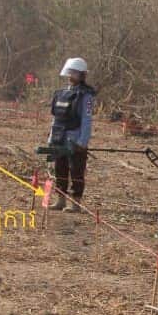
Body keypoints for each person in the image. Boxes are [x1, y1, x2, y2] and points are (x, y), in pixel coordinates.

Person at [46, 57, 96, 212]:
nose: (71, 76)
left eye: (74, 73)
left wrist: (82, 142)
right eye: (70, 72)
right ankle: (60, 200)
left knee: (76, 172)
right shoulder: (61, 94)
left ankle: (75, 203)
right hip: (59, 138)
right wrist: (51, 138)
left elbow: (87, 120)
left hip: (75, 140)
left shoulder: (86, 96)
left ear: (82, 75)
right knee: (59, 170)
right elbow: (56, 118)